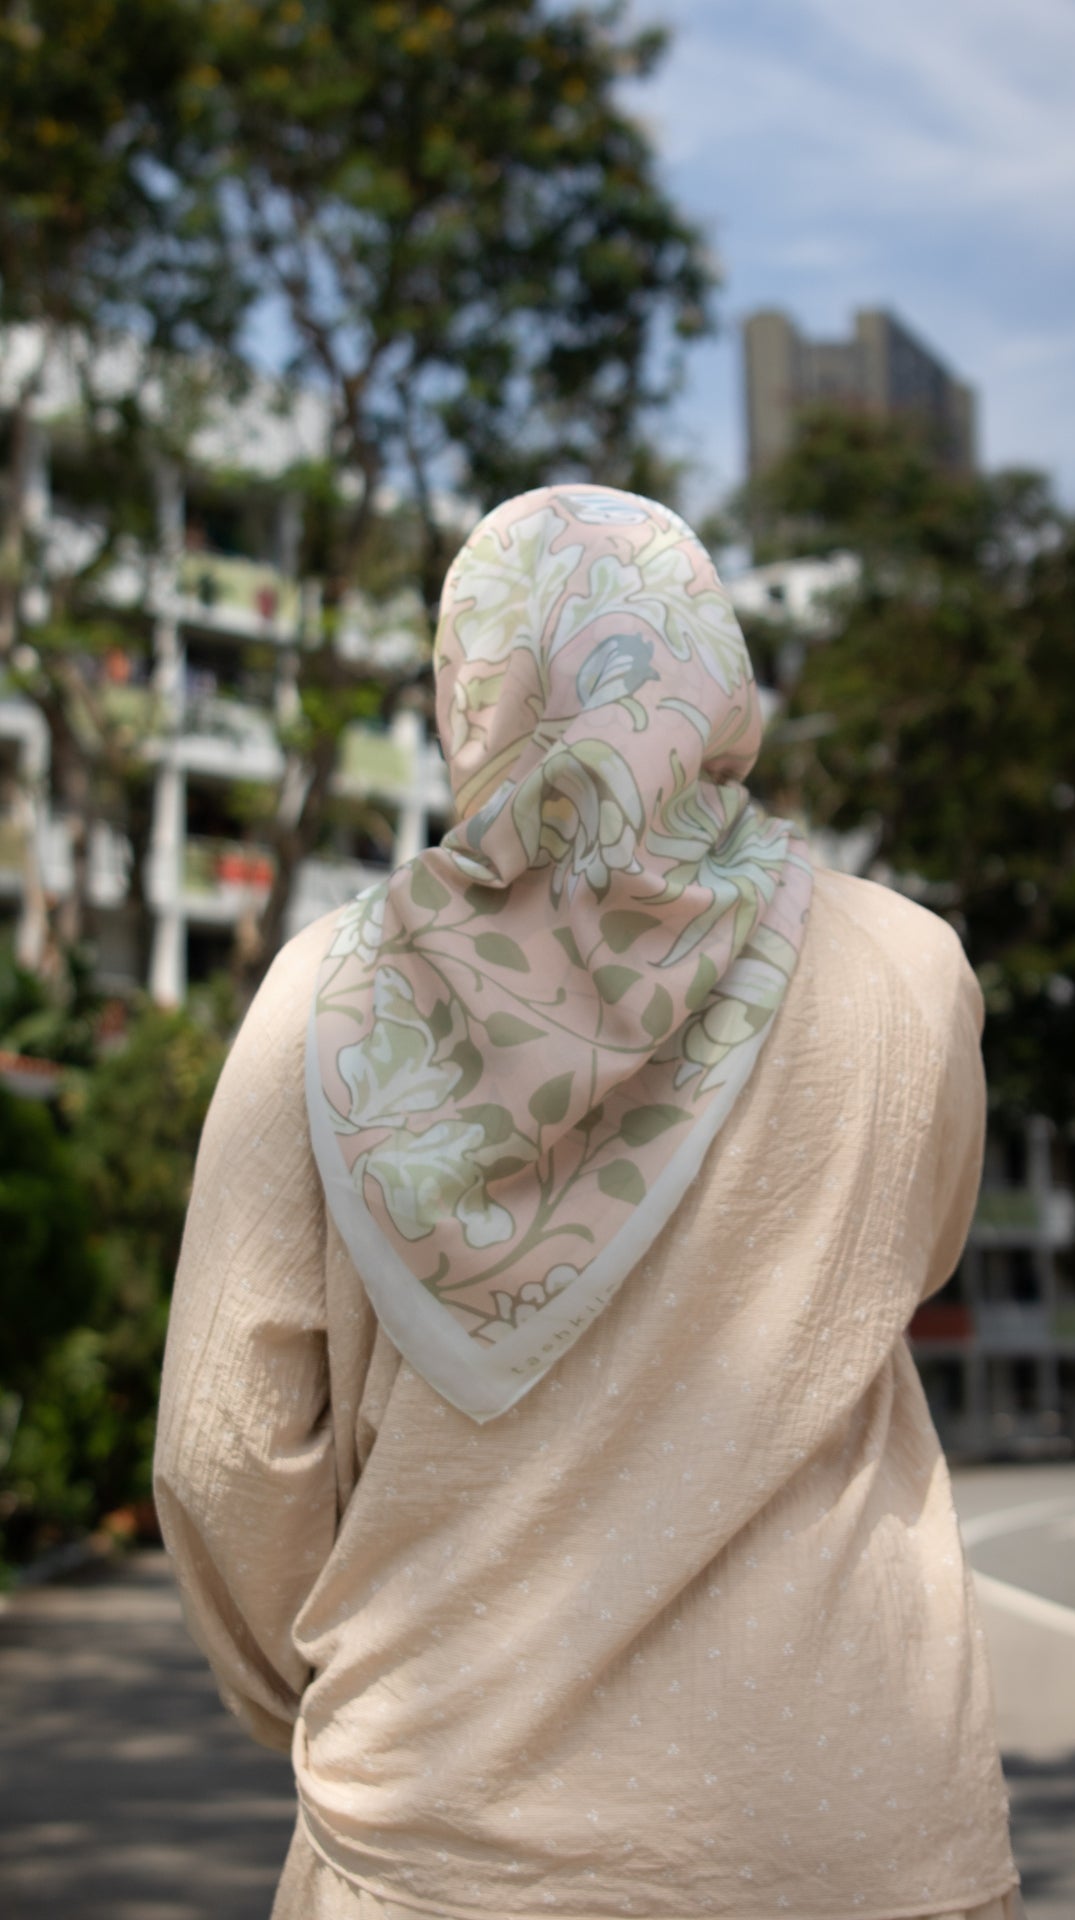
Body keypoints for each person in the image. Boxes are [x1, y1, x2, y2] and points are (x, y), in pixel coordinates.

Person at [154, 484, 1023, 1920]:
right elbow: (907, 1259)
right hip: (863, 1832)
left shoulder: (328, 994)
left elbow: (227, 1447)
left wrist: (331, 1699)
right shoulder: (908, 970)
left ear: (473, 689)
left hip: (449, 1836)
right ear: (712, 668)